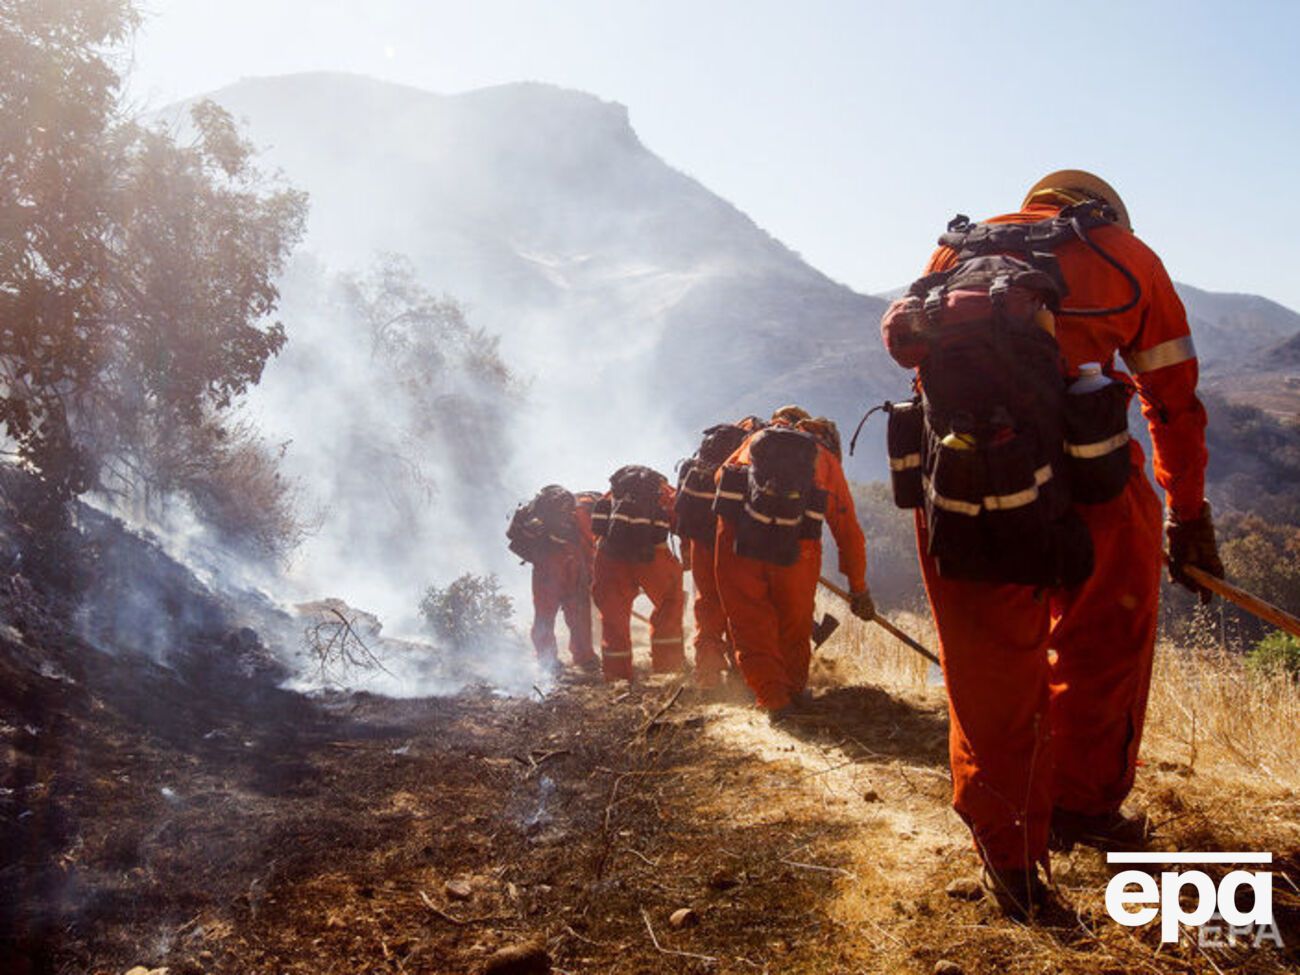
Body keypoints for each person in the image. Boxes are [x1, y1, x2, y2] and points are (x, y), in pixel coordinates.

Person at [880, 170, 1222, 916]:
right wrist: (1187, 515)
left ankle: (1012, 862)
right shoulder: (1127, 253)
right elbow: (1175, 403)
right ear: (1096, 205)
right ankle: (1084, 806)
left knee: (991, 677)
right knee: (1103, 649)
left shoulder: (952, 251)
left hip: (969, 487)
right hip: (1094, 489)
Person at [713, 406, 873, 719]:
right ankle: (795, 691)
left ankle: (774, 700)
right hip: (797, 551)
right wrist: (859, 588)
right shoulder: (823, 459)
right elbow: (848, 530)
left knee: (750, 624)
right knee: (796, 622)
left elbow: (721, 477)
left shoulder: (754, 440)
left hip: (738, 545)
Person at [674, 417, 765, 689]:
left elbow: (681, 513)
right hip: (734, 545)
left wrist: (686, 553)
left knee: (707, 609)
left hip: (701, 544)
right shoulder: (748, 460)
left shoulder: (698, 466)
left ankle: (707, 678)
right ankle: (744, 675)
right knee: (740, 608)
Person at [590, 465, 686, 681]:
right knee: (669, 604)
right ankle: (668, 668)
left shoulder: (611, 495)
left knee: (614, 617)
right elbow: (681, 519)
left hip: (611, 558)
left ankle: (617, 675)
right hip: (653, 556)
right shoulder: (662, 491)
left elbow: (596, 528)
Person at [508, 485, 600, 672]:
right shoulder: (585, 513)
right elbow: (589, 547)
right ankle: (584, 658)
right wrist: (591, 575)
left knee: (544, 614)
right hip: (571, 564)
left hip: (544, 567)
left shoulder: (548, 510)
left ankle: (546, 660)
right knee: (578, 614)